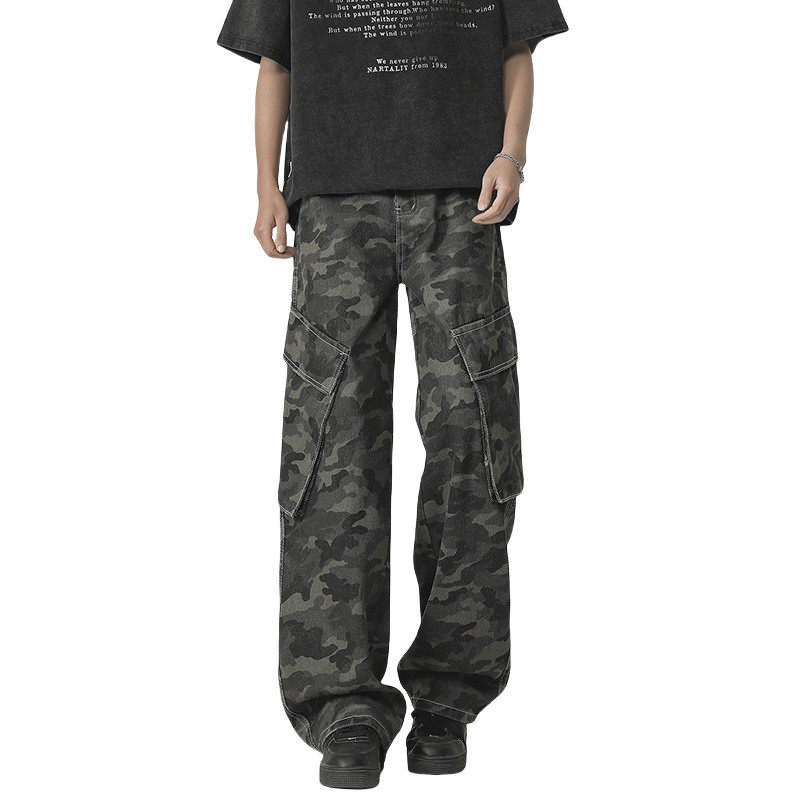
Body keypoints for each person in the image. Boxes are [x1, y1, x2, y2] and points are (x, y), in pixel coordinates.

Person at [217, 0, 568, 788]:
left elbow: (517, 47)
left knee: (471, 439)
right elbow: (276, 58)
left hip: (461, 201)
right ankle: (342, 702)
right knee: (330, 446)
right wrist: (267, 183)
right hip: (335, 206)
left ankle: (448, 694)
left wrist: (512, 154)